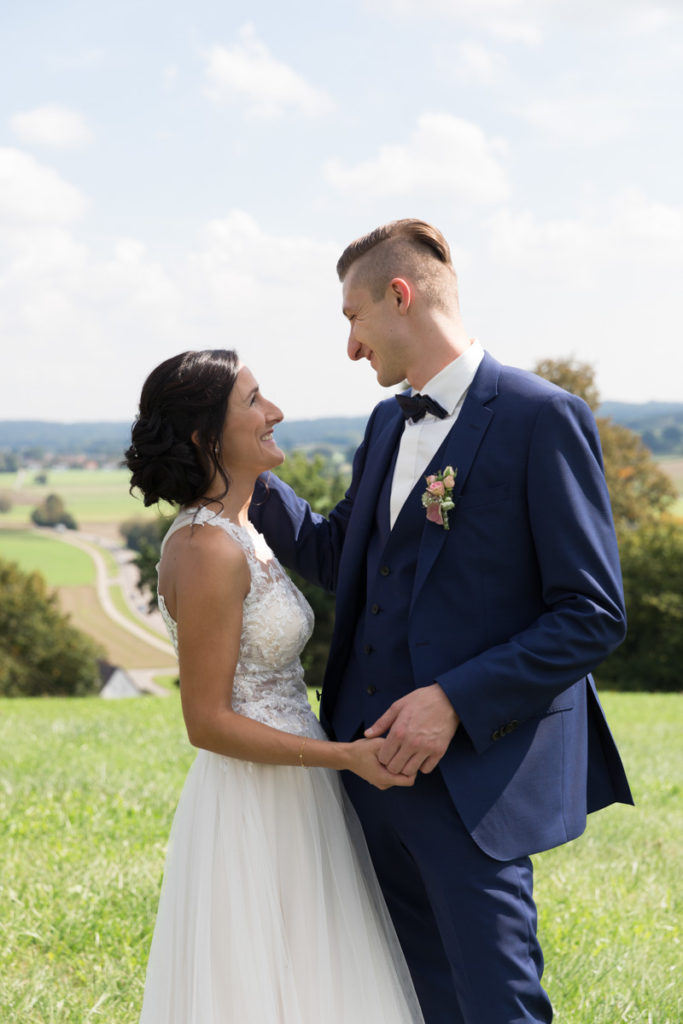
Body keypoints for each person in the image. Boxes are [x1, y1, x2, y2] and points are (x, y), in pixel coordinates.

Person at [248, 219, 634, 1024]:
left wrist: (453, 699)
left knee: (497, 1005)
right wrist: (239, 466)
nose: (350, 347)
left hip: (472, 779)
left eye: (352, 317)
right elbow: (337, 554)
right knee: (414, 998)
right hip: (361, 765)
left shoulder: (541, 416)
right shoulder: (389, 423)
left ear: (400, 295)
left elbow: (590, 612)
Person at [124, 349, 424, 1024]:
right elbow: (205, 721)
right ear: (206, 437)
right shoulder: (205, 550)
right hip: (253, 801)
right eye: (254, 401)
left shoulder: (243, 529)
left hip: (296, 787)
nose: (275, 413)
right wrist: (344, 757)